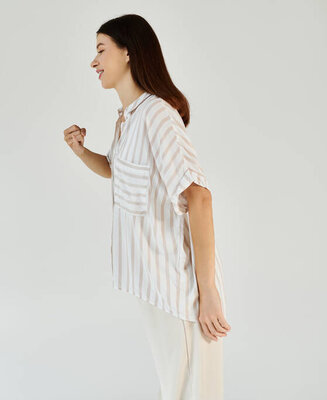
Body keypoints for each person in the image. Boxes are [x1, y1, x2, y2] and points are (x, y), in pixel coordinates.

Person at [63, 14, 231, 399]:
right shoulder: (129, 118)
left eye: (101, 50)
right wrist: (81, 151)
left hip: (181, 290)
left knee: (191, 393)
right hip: (154, 285)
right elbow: (119, 173)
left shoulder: (157, 115)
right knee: (174, 390)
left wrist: (207, 295)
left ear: (128, 53)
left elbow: (199, 197)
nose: (94, 62)